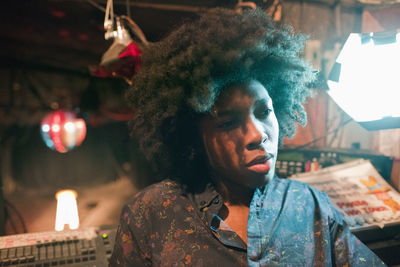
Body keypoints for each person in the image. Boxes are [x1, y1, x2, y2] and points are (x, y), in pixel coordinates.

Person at [110, 8, 386, 266]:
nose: (257, 135)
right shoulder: (151, 214)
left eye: (264, 111)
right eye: (229, 122)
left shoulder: (312, 206)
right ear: (193, 135)